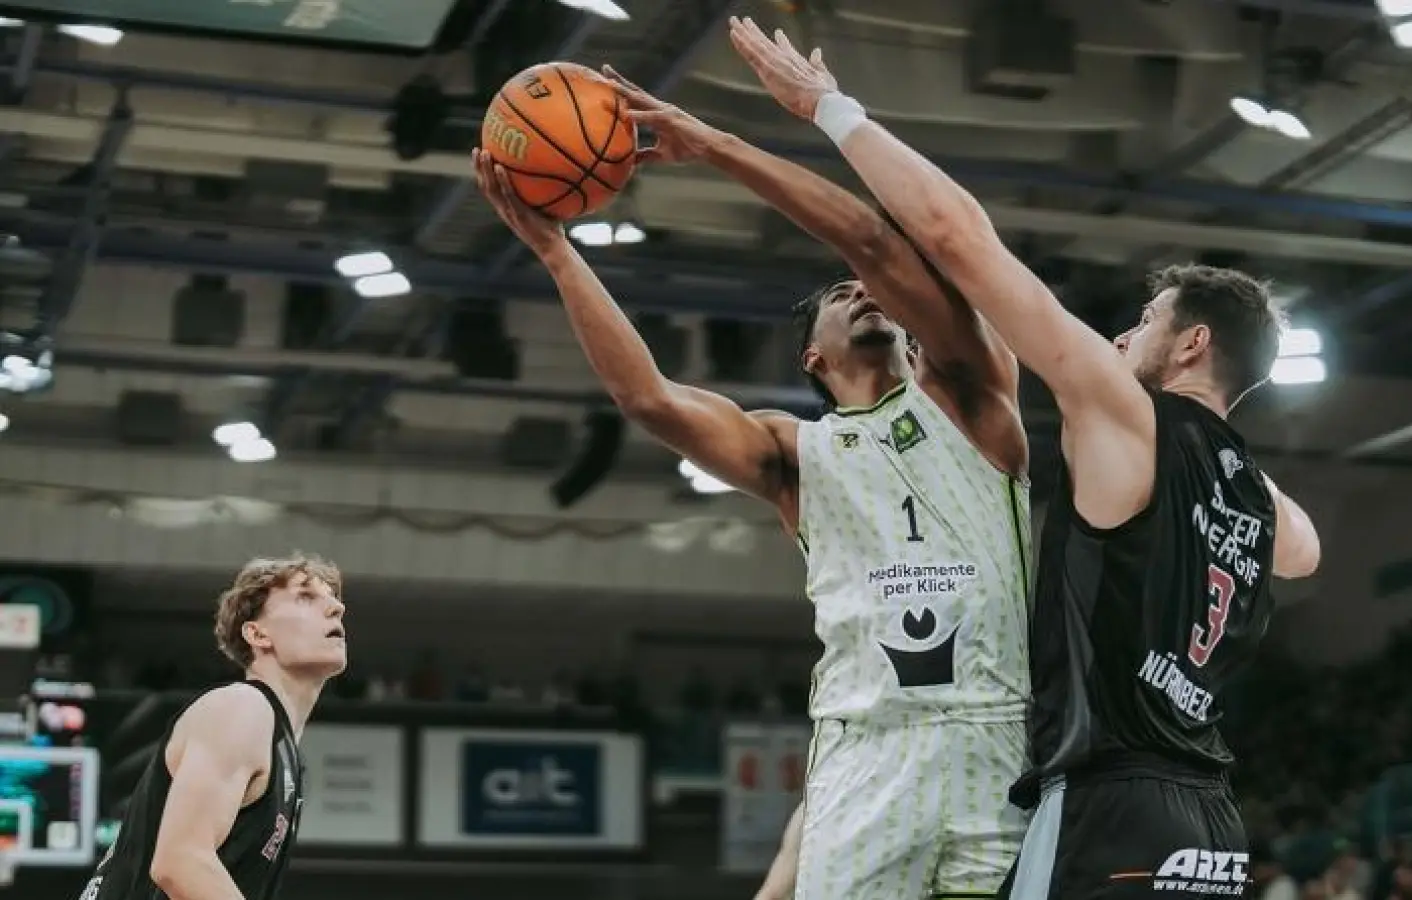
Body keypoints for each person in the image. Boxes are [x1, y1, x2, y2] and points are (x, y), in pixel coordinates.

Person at [726, 18, 1322, 900]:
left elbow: (956, 236)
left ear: (1193, 344)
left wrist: (831, 110)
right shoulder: (1263, 505)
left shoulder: (1129, 416)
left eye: (1145, 323)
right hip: (1210, 830)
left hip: (1108, 810)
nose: (1121, 338)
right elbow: (1304, 553)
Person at [474, 64, 1035, 897]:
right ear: (812, 357)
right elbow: (649, 399)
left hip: (999, 740)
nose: (861, 290)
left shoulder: (974, 394)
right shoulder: (792, 452)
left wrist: (717, 146)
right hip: (868, 744)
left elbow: (876, 245)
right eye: (840, 295)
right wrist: (557, 254)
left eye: (867, 289)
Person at [78, 555, 347, 900]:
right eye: (305, 597)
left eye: (334, 599)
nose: (336, 607)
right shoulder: (242, 707)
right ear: (257, 633)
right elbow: (181, 862)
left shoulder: (283, 749)